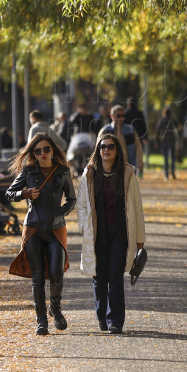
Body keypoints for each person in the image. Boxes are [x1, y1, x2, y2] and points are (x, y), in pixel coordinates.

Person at [5, 134, 77, 335]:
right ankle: (41, 321)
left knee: (56, 273)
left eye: (46, 149)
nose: (43, 153)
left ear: (53, 150)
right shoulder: (28, 171)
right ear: (33, 154)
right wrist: (24, 194)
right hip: (34, 228)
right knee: (37, 277)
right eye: (38, 151)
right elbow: (9, 193)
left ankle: (55, 308)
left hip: (56, 229)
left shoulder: (63, 171)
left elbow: (72, 200)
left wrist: (60, 213)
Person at [77, 132, 146, 334]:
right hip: (97, 233)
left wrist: (140, 238)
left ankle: (115, 320)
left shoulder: (127, 174)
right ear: (98, 151)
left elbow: (137, 206)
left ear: (117, 151)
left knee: (115, 276)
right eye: (102, 146)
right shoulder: (89, 173)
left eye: (110, 146)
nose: (106, 150)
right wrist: (84, 227)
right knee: (99, 276)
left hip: (120, 233)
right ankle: (101, 317)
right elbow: (81, 204)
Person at [100, 105, 143, 173]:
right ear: (112, 116)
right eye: (118, 116)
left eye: (123, 116)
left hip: (127, 165)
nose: (121, 118)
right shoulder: (105, 131)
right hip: (110, 166)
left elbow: (138, 147)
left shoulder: (131, 130)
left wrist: (139, 162)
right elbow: (98, 147)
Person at [155, 107, 180, 180]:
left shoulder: (161, 121)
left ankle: (166, 175)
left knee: (165, 159)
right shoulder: (172, 120)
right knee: (172, 158)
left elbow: (157, 132)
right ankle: (173, 173)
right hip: (172, 141)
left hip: (164, 141)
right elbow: (178, 125)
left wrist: (157, 142)